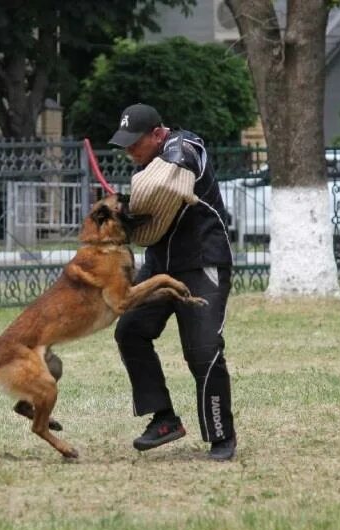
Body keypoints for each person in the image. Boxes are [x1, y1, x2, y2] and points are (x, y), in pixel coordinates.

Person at [108, 103, 238, 461]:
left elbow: (181, 160)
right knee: (130, 331)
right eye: (126, 145)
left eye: (136, 143)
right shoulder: (148, 165)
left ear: (157, 133)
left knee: (202, 349)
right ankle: (163, 419)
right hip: (160, 268)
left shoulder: (184, 146)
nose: (131, 151)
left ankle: (221, 437)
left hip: (202, 264)